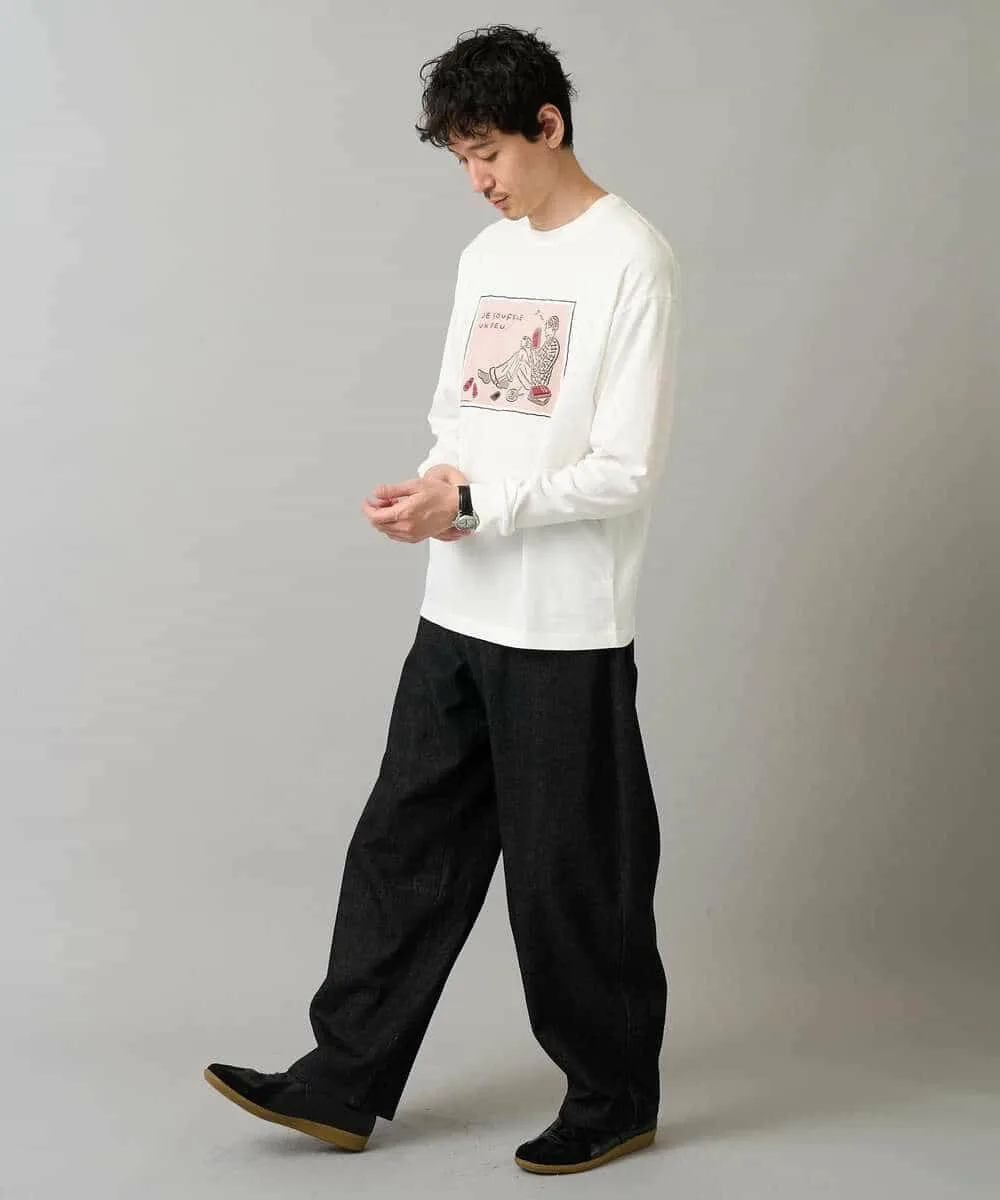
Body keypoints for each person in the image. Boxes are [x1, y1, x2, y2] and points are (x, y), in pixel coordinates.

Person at [204, 23, 681, 1176]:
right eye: (462, 158)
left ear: (548, 126)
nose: (478, 180)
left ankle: (614, 1096)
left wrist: (472, 504)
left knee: (571, 876)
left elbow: (624, 471)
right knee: (402, 848)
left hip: (563, 624)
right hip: (458, 605)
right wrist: (433, 490)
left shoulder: (632, 259)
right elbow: (460, 416)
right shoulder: (486, 255)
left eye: (489, 154)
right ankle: (340, 1080)